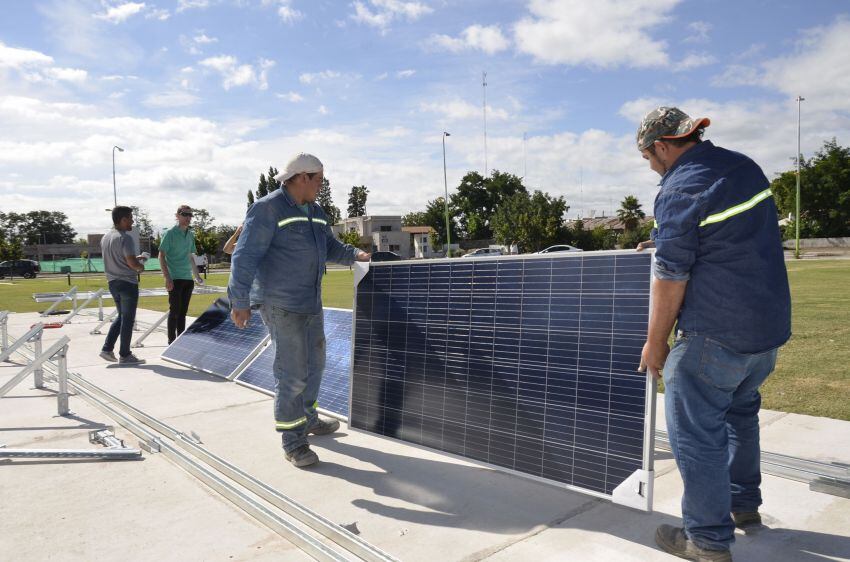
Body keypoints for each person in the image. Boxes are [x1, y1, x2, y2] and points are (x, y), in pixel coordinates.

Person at [635, 107, 791, 561]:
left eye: (648, 157)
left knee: (698, 435)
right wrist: (663, 236)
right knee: (740, 416)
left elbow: (671, 275)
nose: (650, 167)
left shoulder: (681, 187)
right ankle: (744, 507)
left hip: (715, 335)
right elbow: (726, 234)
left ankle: (706, 540)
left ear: (662, 147)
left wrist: (656, 341)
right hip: (765, 334)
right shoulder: (744, 167)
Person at [228, 153, 370, 468]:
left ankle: (307, 418)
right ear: (302, 177)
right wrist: (239, 301)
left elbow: (331, 247)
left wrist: (356, 254)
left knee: (315, 365)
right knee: (291, 374)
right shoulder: (266, 209)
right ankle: (293, 441)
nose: (321, 186)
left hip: (310, 303)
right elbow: (245, 256)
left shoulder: (317, 212)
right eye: (319, 180)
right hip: (281, 305)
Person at [99, 206, 147, 365]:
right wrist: (141, 266)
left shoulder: (106, 237)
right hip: (127, 283)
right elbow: (132, 263)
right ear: (123, 219)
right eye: (131, 218)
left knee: (121, 316)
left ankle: (107, 349)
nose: (132, 221)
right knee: (128, 320)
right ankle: (125, 354)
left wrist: (135, 259)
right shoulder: (125, 238)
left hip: (112, 282)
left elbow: (120, 258)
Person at [159, 204, 204, 344]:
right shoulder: (170, 233)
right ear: (177, 216)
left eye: (190, 215)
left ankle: (180, 342)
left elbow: (190, 257)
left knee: (183, 313)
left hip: (187, 279)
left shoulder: (190, 234)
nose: (188, 217)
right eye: (185, 214)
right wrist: (167, 278)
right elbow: (161, 256)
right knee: (174, 312)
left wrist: (197, 276)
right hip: (175, 278)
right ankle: (171, 342)